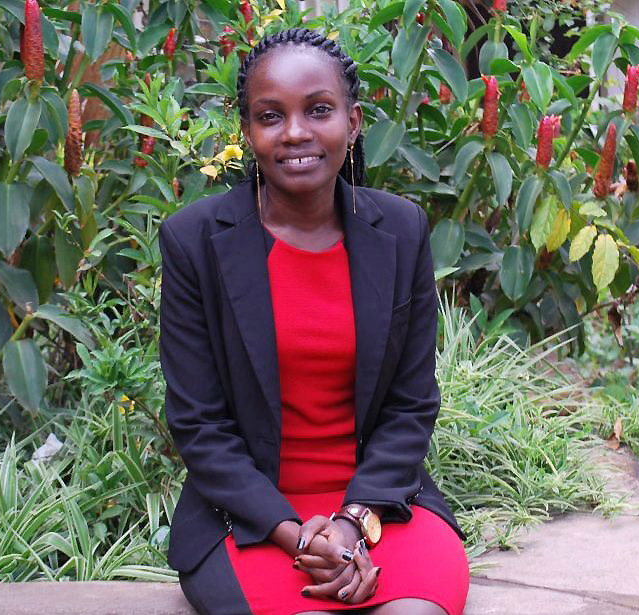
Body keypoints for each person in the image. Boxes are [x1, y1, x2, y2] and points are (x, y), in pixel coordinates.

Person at [158, 27, 469, 615]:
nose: (295, 132)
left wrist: (352, 525)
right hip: (248, 518)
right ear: (248, 132)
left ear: (352, 123)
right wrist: (299, 535)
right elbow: (199, 426)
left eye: (318, 110)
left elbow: (411, 406)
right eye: (270, 116)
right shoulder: (194, 242)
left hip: (380, 507)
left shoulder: (400, 233)